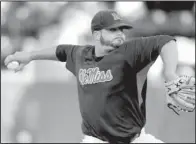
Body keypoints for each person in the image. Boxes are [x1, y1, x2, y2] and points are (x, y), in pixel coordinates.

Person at [5, 10, 180, 143]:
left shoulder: (131, 52)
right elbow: (59, 51)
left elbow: (166, 41)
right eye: (113, 30)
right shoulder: (80, 55)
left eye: (122, 29)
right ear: (96, 35)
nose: (120, 33)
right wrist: (29, 55)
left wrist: (170, 73)